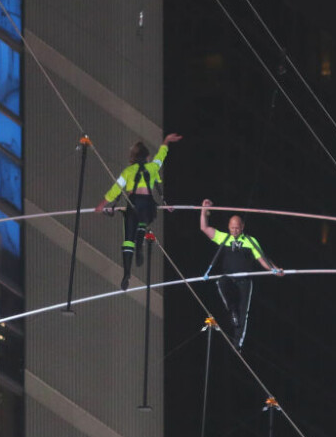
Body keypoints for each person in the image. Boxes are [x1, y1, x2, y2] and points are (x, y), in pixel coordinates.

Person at [95, 133, 183, 290]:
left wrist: (102, 204)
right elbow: (161, 155)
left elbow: (116, 189)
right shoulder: (153, 167)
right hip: (147, 205)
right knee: (146, 217)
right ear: (147, 157)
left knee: (128, 239)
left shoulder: (127, 171)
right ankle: (140, 238)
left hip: (133, 204)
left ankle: (127, 273)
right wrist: (166, 141)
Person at [200, 199, 283, 348]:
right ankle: (232, 311)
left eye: (237, 228)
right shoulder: (223, 238)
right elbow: (204, 227)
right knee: (221, 282)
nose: (235, 231)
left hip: (245, 282)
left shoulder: (251, 241)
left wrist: (274, 270)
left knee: (242, 314)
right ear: (228, 227)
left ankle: (237, 345)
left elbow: (262, 259)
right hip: (229, 280)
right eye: (232, 228)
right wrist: (204, 210)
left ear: (242, 227)